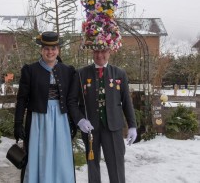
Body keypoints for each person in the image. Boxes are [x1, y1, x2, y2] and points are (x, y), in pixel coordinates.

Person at [14, 31, 76, 183]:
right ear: (41, 50)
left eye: (54, 48)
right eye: (47, 48)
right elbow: (21, 99)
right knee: (39, 154)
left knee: (61, 155)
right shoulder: (30, 70)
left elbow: (71, 100)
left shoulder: (68, 71)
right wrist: (17, 123)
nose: (50, 52)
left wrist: (74, 121)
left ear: (58, 50)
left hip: (61, 120)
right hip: (38, 120)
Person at [68, 48, 137, 183]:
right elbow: (71, 101)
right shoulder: (81, 73)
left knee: (116, 165)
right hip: (90, 129)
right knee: (92, 167)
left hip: (113, 127)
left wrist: (132, 125)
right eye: (96, 52)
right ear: (92, 53)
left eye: (103, 51)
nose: (100, 55)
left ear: (109, 52)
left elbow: (126, 101)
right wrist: (80, 119)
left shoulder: (119, 73)